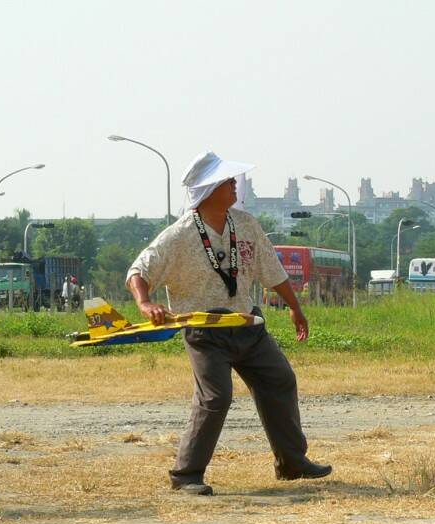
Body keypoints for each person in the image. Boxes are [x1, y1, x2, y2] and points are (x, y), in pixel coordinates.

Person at [126, 151, 331, 495]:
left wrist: (295, 307)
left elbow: (272, 270)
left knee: (280, 379)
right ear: (208, 190)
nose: (235, 185)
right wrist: (145, 302)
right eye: (228, 181)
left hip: (248, 323)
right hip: (205, 331)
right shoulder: (178, 236)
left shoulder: (246, 224)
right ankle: (186, 475)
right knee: (216, 397)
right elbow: (138, 271)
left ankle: (292, 462)